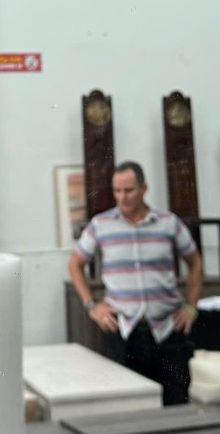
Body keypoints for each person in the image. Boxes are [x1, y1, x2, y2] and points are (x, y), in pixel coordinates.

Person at [68, 160, 203, 404]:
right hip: (122, 330)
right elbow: (75, 264)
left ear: (144, 188)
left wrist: (191, 307)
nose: (122, 197)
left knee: (176, 405)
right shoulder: (100, 225)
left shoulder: (168, 223)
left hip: (168, 329)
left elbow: (195, 262)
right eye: (117, 191)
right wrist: (91, 306)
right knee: (127, 406)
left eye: (128, 190)